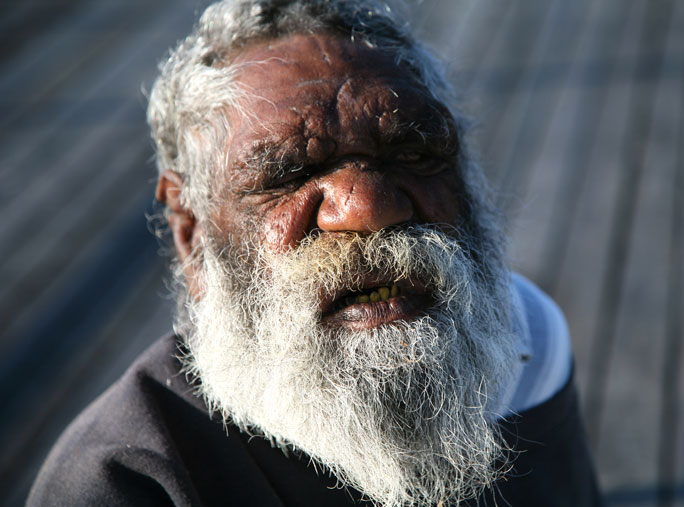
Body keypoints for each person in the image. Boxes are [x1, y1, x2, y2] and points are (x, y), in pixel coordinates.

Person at [28, 1, 602, 505]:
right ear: (191, 234)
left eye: (413, 151)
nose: (368, 207)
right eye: (288, 174)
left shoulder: (525, 346)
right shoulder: (121, 483)